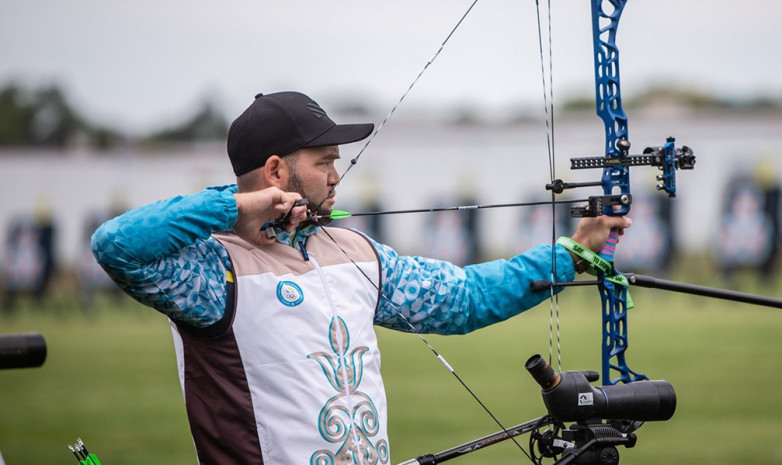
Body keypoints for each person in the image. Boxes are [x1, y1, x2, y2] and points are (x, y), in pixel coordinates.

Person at [91, 91, 630, 465]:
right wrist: (237, 206)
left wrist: (573, 254)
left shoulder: (353, 251)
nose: (336, 175)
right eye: (325, 161)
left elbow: (463, 299)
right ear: (277, 172)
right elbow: (116, 245)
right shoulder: (213, 270)